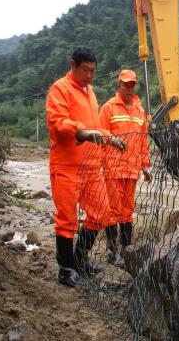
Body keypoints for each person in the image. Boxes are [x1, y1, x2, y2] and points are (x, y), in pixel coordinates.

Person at [46, 47, 125, 287]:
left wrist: (110, 138)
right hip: (67, 165)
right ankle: (66, 269)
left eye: (93, 71)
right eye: (85, 70)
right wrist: (82, 132)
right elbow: (58, 123)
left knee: (101, 213)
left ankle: (80, 259)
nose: (90, 76)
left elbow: (95, 126)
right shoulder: (59, 89)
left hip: (91, 167)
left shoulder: (90, 92)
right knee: (67, 219)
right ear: (72, 64)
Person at [99, 69, 151, 267]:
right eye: (125, 84)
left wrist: (146, 166)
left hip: (132, 170)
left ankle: (127, 250)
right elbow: (100, 134)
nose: (129, 88)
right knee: (112, 211)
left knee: (128, 211)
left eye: (132, 85)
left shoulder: (140, 112)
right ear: (118, 85)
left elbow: (143, 141)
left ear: (135, 86)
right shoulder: (108, 108)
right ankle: (112, 252)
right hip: (112, 169)